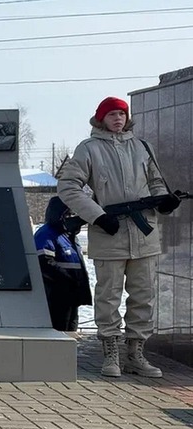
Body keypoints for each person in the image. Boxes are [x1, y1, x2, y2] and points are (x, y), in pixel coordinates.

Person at [57, 96, 180, 378]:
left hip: (144, 235)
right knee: (108, 297)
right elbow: (68, 187)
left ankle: (136, 354)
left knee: (143, 297)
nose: (118, 119)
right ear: (101, 118)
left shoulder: (142, 147)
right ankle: (110, 353)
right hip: (108, 234)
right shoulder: (88, 149)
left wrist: (163, 201)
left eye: (122, 114)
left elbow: (156, 182)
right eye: (112, 114)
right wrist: (98, 216)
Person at [33, 195, 92, 333]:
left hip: (71, 296)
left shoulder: (69, 236)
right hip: (56, 296)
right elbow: (44, 262)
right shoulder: (46, 234)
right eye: (69, 214)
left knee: (71, 334)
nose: (73, 217)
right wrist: (67, 280)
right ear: (59, 214)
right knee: (59, 334)